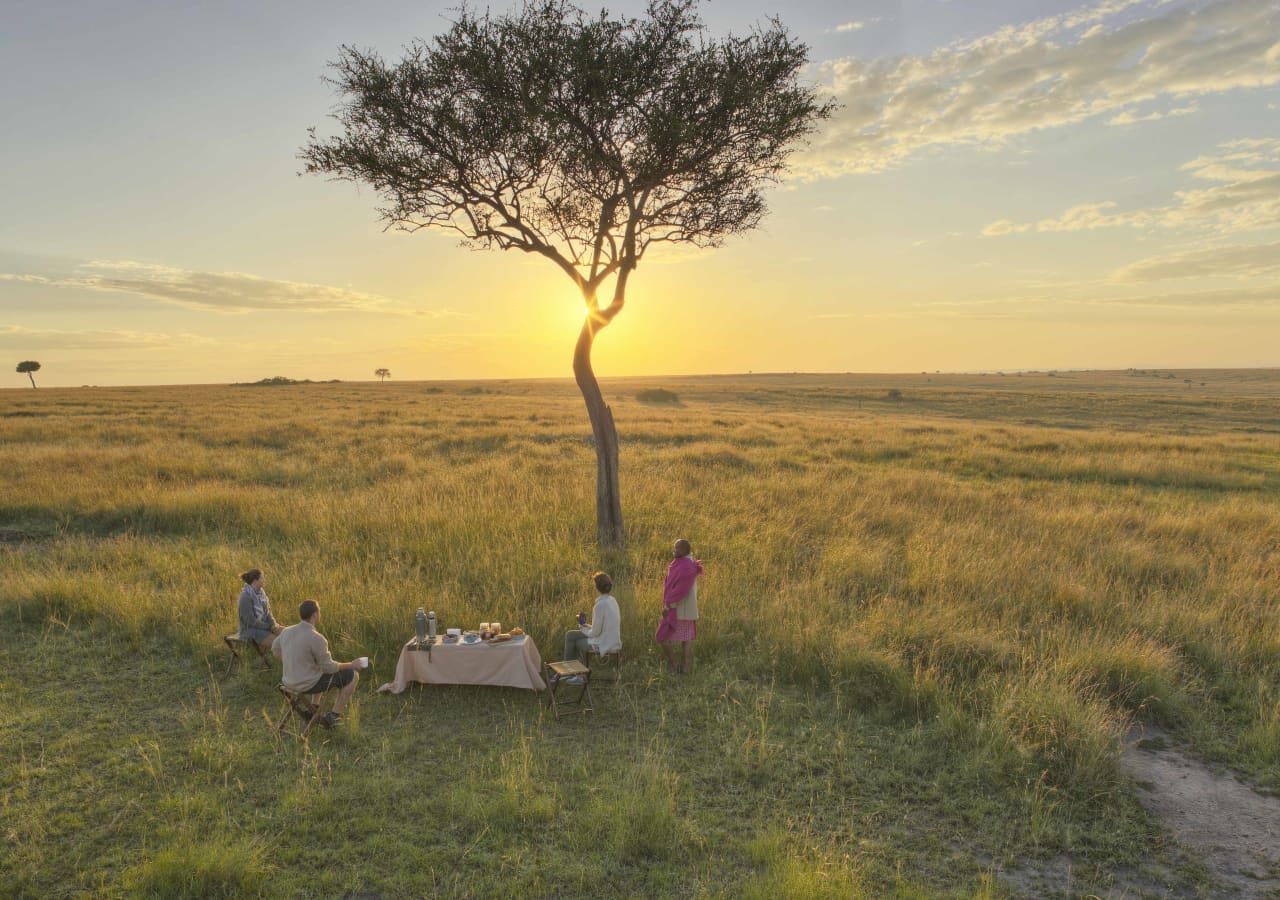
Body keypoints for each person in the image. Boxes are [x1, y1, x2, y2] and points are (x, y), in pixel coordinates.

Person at [272, 599, 361, 729]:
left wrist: (292, 663)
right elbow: (329, 667)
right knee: (352, 675)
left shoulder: (286, 631)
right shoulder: (316, 637)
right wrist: (351, 664)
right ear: (314, 615)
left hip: (288, 681)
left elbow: (275, 649)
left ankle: (313, 707)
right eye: (319, 612)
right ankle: (334, 716)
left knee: (317, 667)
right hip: (306, 684)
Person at [656, 539, 703, 674]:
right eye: (674, 547)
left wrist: (669, 604)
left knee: (663, 636)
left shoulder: (686, 566)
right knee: (686, 638)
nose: (674, 550)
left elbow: (680, 590)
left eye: (677, 548)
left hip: (678, 609)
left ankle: (676, 665)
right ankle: (682, 666)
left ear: (684, 550)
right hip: (683, 609)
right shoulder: (684, 563)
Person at [563, 571, 622, 665]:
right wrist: (588, 627)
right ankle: (572, 671)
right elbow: (602, 628)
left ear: (596, 587)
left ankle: (574, 672)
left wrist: (583, 629)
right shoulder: (612, 600)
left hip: (604, 644)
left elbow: (595, 633)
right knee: (570, 634)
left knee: (577, 642)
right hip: (613, 640)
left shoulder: (600, 605)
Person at [237, 568, 281, 651]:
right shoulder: (245, 597)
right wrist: (268, 627)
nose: (264, 579)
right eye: (262, 578)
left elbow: (268, 613)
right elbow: (250, 621)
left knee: (286, 634)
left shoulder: (261, 593)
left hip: (263, 626)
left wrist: (273, 625)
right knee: (278, 643)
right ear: (255, 581)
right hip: (249, 630)